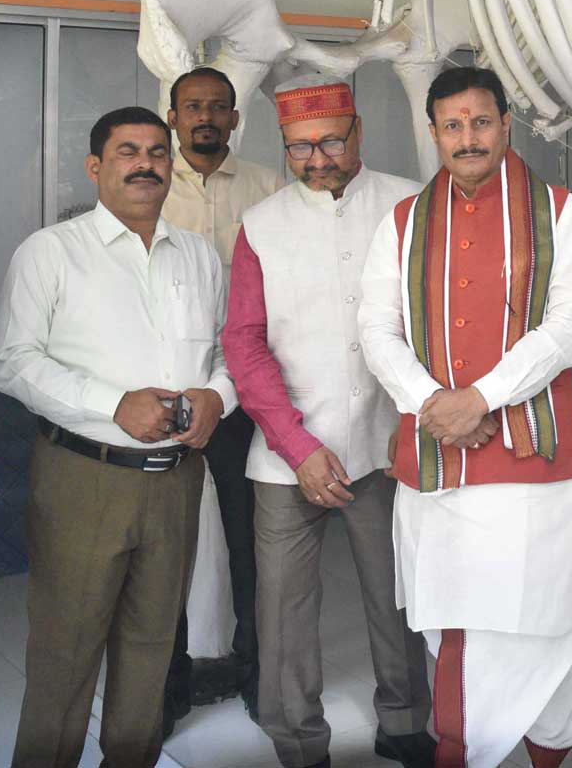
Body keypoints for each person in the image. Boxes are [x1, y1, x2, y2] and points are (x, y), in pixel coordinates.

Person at [359, 65, 572, 768]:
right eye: (453, 125)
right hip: (438, 464)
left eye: (481, 121)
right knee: (454, 624)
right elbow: (376, 330)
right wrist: (434, 405)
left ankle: (545, 754)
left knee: (548, 619)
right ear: (434, 133)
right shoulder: (402, 222)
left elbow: (569, 328)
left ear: (506, 124)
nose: (468, 137)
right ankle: (462, 749)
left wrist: (479, 399)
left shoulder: (560, 211)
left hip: (533, 464)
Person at [0, 105, 236, 768]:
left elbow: (225, 351)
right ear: (96, 166)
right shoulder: (52, 251)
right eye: (128, 151)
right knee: (65, 654)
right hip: (84, 477)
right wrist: (113, 404)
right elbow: (11, 360)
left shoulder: (198, 254)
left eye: (157, 152)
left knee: (153, 649)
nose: (145, 164)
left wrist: (218, 395)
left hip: (176, 479)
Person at [221, 81, 441, 768]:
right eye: (298, 147)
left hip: (386, 441)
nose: (316, 159)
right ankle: (298, 739)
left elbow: (432, 323)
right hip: (287, 453)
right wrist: (297, 445)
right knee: (283, 609)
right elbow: (244, 343)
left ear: (359, 131)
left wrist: (412, 419)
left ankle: (404, 721)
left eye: (330, 141)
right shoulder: (261, 224)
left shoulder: (410, 204)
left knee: (395, 591)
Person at [162, 64, 283, 719]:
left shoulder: (269, 188)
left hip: (244, 388)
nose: (205, 117)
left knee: (250, 538)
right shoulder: (150, 186)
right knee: (165, 545)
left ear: (235, 118)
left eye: (217, 107)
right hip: (167, 391)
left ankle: (257, 671)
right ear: (174, 116)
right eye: (192, 106)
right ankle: (169, 683)